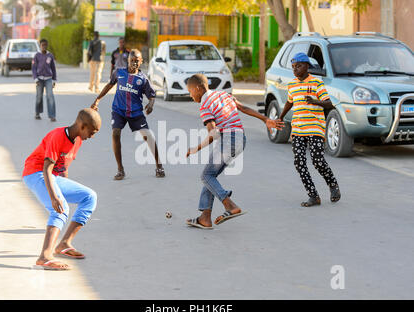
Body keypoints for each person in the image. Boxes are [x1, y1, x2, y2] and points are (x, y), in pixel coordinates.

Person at [185, 74, 284, 229]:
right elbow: (243, 108)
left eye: (190, 91)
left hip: (228, 140)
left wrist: (195, 148)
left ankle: (229, 205)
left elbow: (213, 134)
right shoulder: (223, 94)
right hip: (240, 139)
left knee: (206, 175)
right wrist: (265, 120)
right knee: (211, 176)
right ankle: (205, 217)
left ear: (198, 88)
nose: (190, 96)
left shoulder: (205, 105)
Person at [22, 108, 101, 270]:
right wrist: (54, 196)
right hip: (35, 173)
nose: (92, 137)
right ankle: (45, 256)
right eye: (92, 132)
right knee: (60, 208)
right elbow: (46, 169)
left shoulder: (78, 138)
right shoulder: (58, 136)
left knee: (89, 196)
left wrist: (62, 188)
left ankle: (64, 244)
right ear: (82, 126)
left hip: (53, 177)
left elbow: (63, 167)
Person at [278, 52, 341, 207]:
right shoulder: (292, 84)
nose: (295, 69)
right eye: (293, 67)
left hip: (315, 127)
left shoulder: (316, 83)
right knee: (299, 162)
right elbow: (289, 102)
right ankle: (313, 196)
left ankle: (333, 185)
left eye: (298, 66)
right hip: (298, 128)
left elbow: (329, 104)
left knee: (317, 160)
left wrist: (315, 101)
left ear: (307, 66)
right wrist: (280, 117)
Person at [91, 49, 165, 180]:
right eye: (132, 61)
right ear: (128, 61)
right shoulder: (119, 72)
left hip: (136, 112)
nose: (134, 63)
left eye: (137, 61)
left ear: (141, 61)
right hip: (118, 110)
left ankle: (159, 165)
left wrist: (150, 104)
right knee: (115, 133)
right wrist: (97, 100)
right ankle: (120, 169)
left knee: (148, 136)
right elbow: (109, 85)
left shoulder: (142, 79)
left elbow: (152, 96)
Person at [32, 39, 57, 121]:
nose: (44, 47)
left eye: (45, 45)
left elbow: (53, 68)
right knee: (39, 97)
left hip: (48, 79)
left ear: (47, 46)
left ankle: (52, 116)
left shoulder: (50, 55)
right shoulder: (37, 55)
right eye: (42, 45)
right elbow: (34, 68)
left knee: (50, 96)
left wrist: (54, 80)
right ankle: (37, 113)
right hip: (39, 79)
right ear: (40, 46)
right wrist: (35, 79)